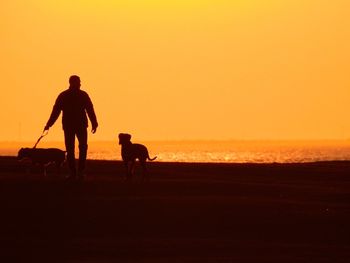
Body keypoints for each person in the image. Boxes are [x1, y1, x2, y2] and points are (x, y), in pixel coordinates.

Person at [44, 75, 98, 179]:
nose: (80, 84)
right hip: (72, 126)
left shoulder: (77, 95)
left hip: (78, 125)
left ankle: (79, 172)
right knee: (72, 149)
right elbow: (56, 111)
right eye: (78, 82)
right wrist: (49, 124)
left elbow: (90, 109)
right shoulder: (66, 95)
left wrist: (94, 122)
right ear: (73, 83)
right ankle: (74, 172)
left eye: (79, 82)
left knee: (81, 148)